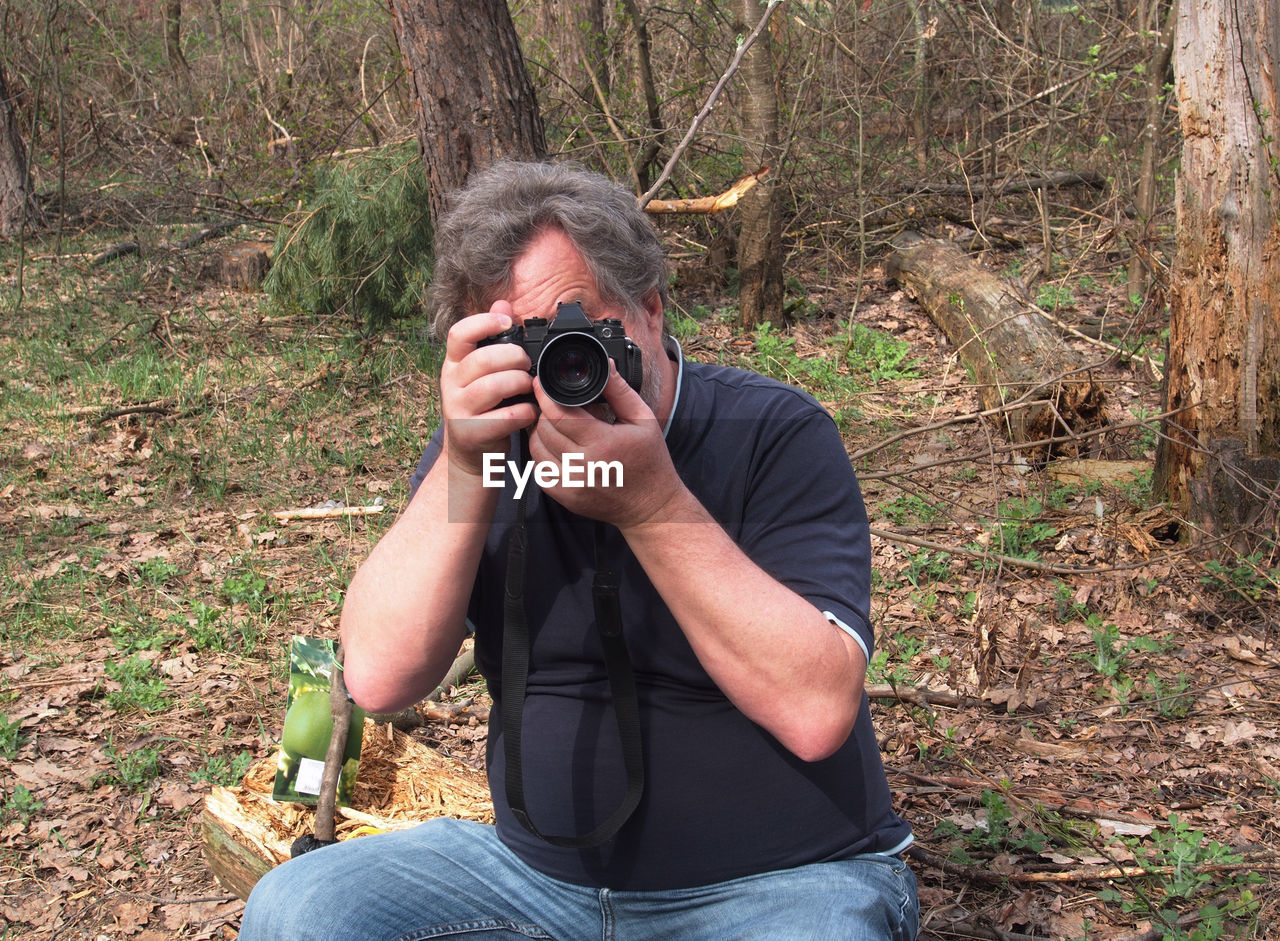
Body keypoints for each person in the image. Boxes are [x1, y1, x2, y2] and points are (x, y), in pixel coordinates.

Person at [240, 161, 917, 941]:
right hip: (532, 884)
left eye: (580, 327)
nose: (562, 364)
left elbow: (817, 708)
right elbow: (378, 676)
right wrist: (465, 465)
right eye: (521, 342)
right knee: (300, 909)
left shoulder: (771, 432)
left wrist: (652, 503)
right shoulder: (492, 448)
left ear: (653, 308)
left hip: (783, 886)